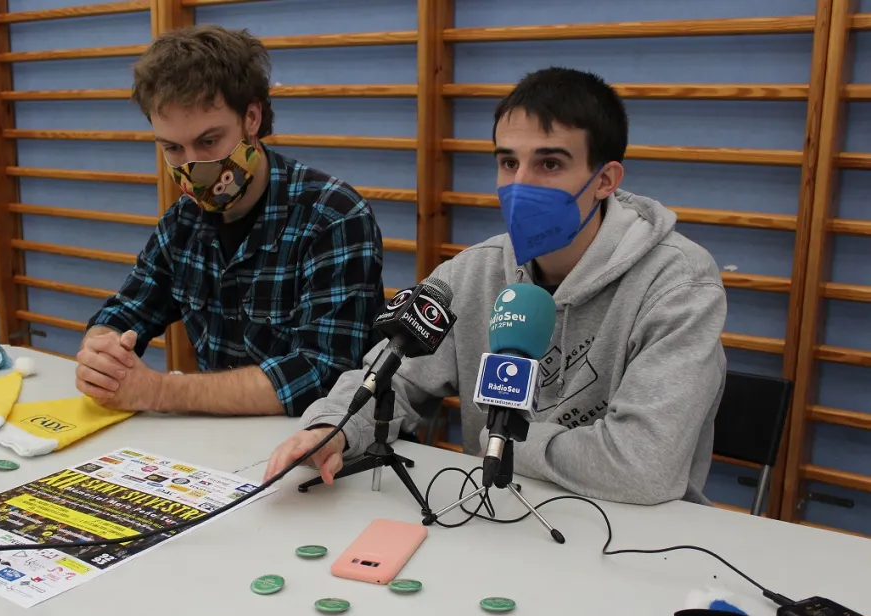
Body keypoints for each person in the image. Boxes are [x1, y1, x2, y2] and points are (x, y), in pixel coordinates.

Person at [266, 67, 727, 506]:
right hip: (496, 513)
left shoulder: (678, 284)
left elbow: (643, 466)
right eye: (508, 162)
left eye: (549, 163)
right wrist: (333, 429)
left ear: (604, 180)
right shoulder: (472, 273)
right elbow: (391, 378)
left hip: (637, 534)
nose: (520, 185)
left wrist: (502, 442)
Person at [79, 25, 384, 417]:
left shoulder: (333, 216)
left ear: (251, 118)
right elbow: (126, 312)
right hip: (219, 442)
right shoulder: (182, 222)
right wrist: (101, 351)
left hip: (314, 440)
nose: (192, 166)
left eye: (208, 142)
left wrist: (158, 390)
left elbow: (321, 375)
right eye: (172, 148)